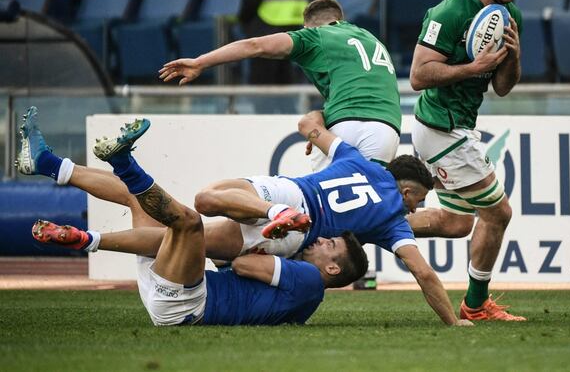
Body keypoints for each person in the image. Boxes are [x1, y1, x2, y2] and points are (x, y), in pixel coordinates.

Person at [15, 107, 472, 326]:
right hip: (290, 235)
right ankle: (63, 182)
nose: (415, 210)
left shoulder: (356, 158)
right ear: (407, 190)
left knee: (200, 203)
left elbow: (309, 123)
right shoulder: (393, 218)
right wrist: (453, 321)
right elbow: (424, 273)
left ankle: (63, 177)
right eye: (417, 201)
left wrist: (319, 125)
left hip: (287, 190)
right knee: (181, 221)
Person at [32, 119, 369, 327]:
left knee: (189, 223)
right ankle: (50, 164)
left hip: (187, 304)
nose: (320, 239)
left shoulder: (309, 278)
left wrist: (254, 248)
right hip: (173, 296)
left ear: (333, 269)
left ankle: (122, 167)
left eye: (330, 245)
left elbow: (243, 265)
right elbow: (231, 270)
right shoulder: (307, 299)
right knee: (139, 201)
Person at [405, 0, 524, 321]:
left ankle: (372, 227)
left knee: (456, 224)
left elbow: (502, 88)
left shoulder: (509, 16)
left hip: (458, 127)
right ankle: (475, 305)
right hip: (441, 127)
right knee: (498, 213)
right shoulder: (450, 12)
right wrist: (471, 68)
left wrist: (513, 57)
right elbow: (418, 76)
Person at [160, 0, 400, 172]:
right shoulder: (370, 38)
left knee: (327, 210)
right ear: (339, 19)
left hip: (347, 126)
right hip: (387, 130)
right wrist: (322, 120)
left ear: (308, 26)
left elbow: (255, 46)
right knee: (371, 207)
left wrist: (200, 62)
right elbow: (361, 92)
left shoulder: (316, 36)